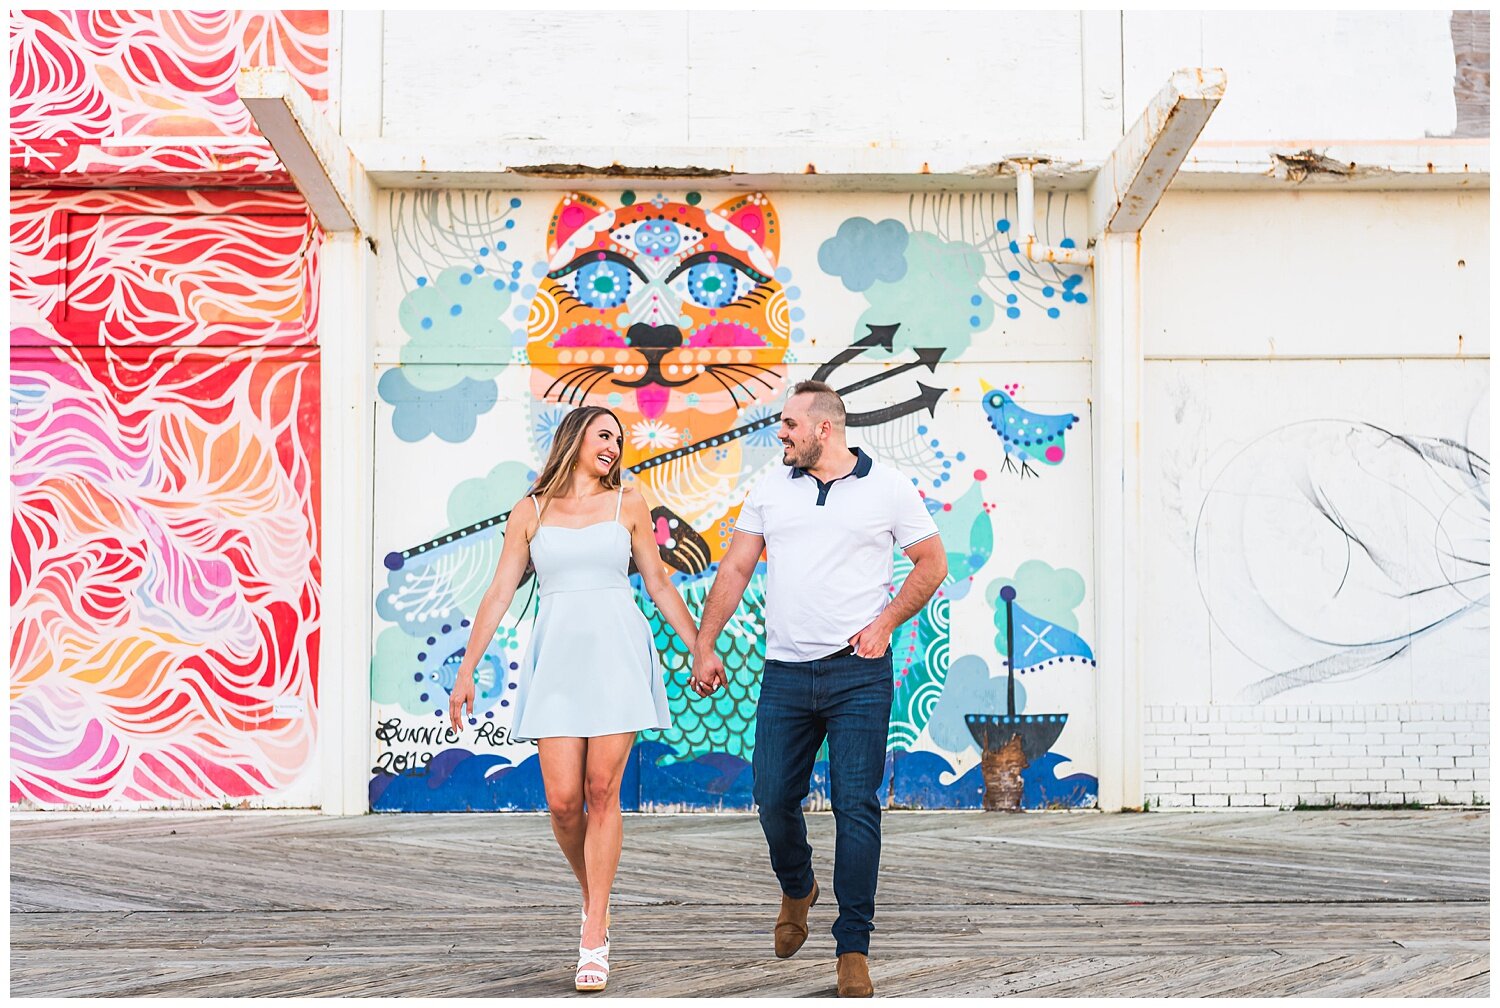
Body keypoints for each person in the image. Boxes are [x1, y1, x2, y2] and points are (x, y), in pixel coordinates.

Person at [689, 380, 948, 998]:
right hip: (785, 672)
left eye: (789, 425)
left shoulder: (887, 489)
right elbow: (736, 566)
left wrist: (885, 624)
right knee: (772, 797)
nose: (780, 433)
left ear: (823, 428)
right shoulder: (771, 488)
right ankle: (798, 885)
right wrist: (706, 640)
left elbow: (931, 563)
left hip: (858, 672)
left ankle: (852, 947)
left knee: (856, 807)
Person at [449, 405, 697, 993]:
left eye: (620, 439)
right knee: (563, 802)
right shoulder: (530, 511)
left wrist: (698, 647)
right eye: (604, 434)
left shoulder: (628, 503)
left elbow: (658, 582)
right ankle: (596, 900)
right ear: (575, 438)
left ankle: (593, 931)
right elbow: (500, 591)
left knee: (600, 790)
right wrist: (467, 668)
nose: (614, 446)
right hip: (557, 660)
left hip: (617, 653)